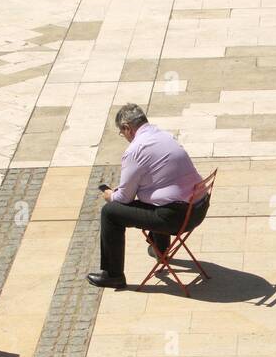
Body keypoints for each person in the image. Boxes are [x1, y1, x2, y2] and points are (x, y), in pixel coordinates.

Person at [87, 105, 208, 290]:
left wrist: (110, 195)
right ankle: (161, 250)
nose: (124, 137)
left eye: (122, 132)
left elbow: (123, 199)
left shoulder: (135, 150)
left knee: (110, 212)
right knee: (153, 196)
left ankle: (113, 275)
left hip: (176, 218)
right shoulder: (164, 135)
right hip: (198, 208)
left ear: (127, 127)